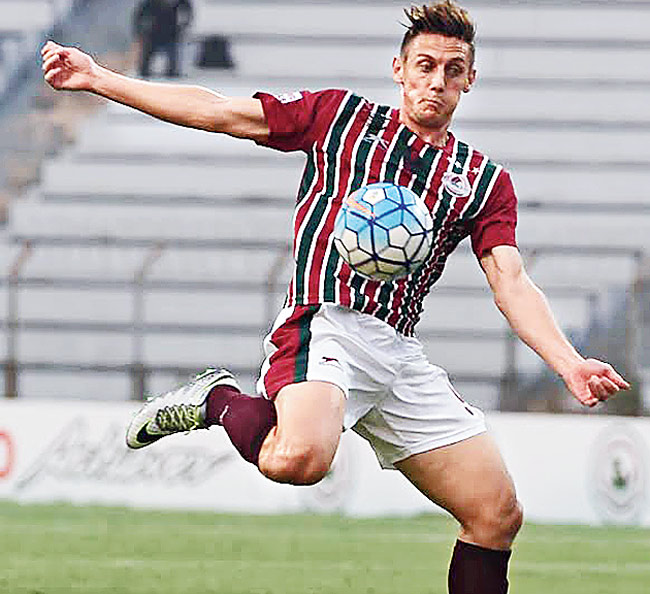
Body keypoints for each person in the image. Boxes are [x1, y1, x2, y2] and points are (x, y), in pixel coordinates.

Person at [41, 2, 630, 592]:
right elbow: (220, 113)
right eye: (425, 66)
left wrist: (569, 363)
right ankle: (216, 399)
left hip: (397, 351)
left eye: (453, 70)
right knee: (298, 460)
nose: (437, 81)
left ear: (469, 80)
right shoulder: (339, 119)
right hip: (326, 323)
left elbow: (511, 281)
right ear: (399, 69)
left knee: (496, 516)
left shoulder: (482, 180)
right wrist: (98, 78)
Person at [133, 0, 193, 78]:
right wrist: (140, 31)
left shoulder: (178, 2)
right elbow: (140, 16)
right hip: (154, 34)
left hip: (171, 33)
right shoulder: (151, 2)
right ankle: (144, 73)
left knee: (172, 60)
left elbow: (187, 12)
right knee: (146, 60)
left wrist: (184, 26)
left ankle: (172, 73)